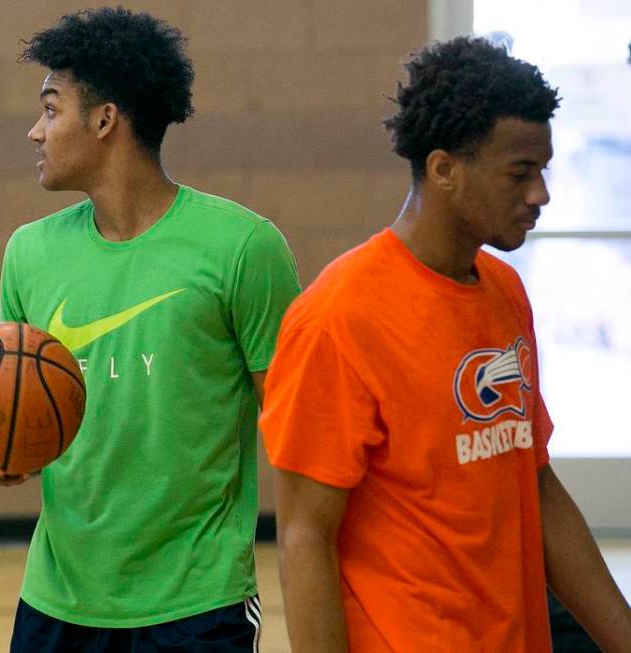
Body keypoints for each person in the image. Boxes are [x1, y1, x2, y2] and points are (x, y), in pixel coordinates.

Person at [0, 8, 300, 652]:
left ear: (105, 120)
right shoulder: (29, 252)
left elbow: (300, 435)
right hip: (57, 600)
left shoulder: (244, 248)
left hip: (196, 603)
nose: (34, 131)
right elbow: (31, 415)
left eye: (51, 110)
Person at [259, 37, 631, 652]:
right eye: (520, 173)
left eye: (543, 171)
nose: (540, 194)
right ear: (443, 169)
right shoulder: (337, 317)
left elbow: (534, 480)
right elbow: (304, 537)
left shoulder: (504, 290)